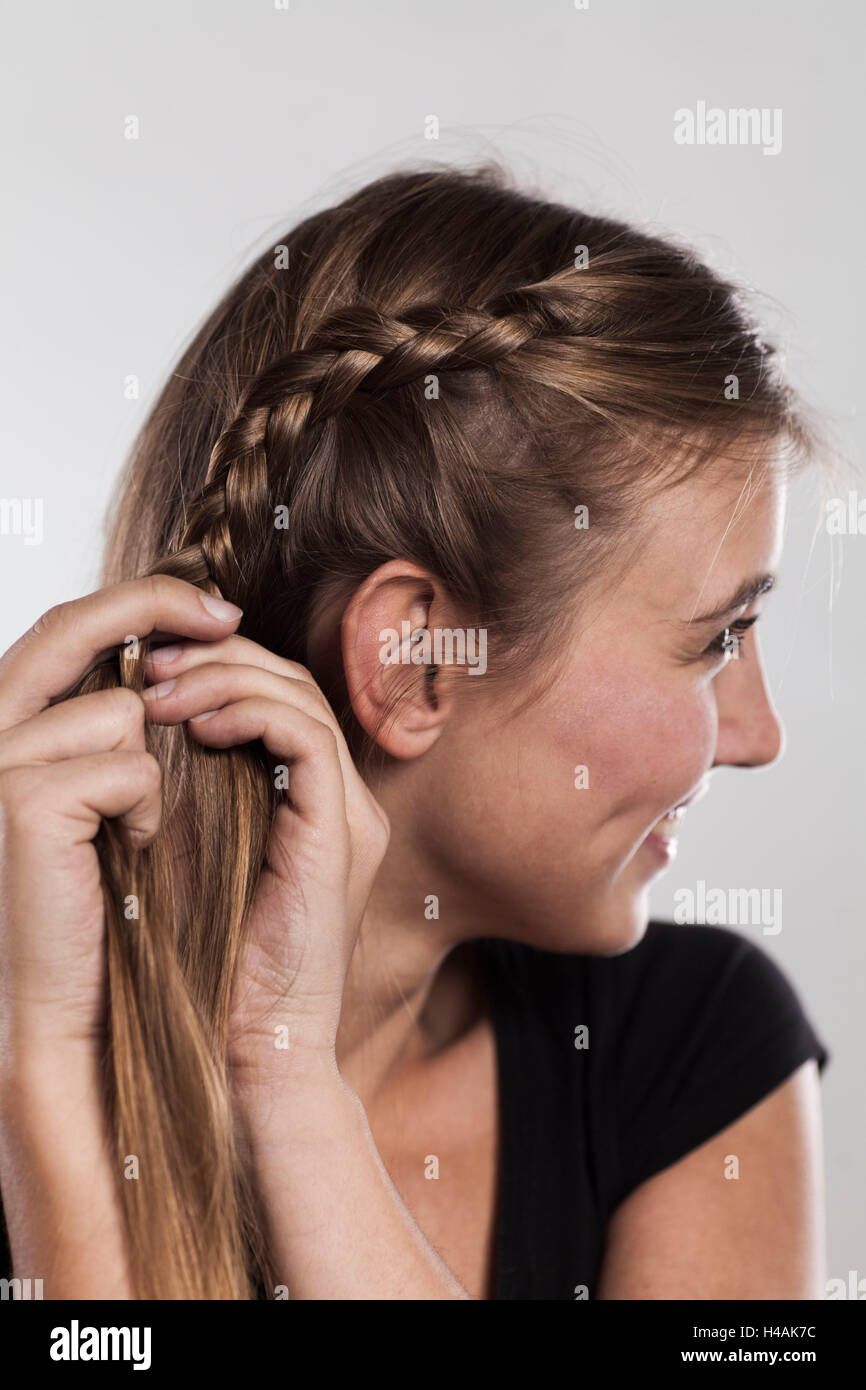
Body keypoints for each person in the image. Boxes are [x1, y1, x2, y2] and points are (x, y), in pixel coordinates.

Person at [0, 163, 830, 1300]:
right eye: (713, 637)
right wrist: (50, 1059)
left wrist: (289, 1081)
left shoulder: (692, 1051)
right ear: (417, 659)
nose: (757, 735)